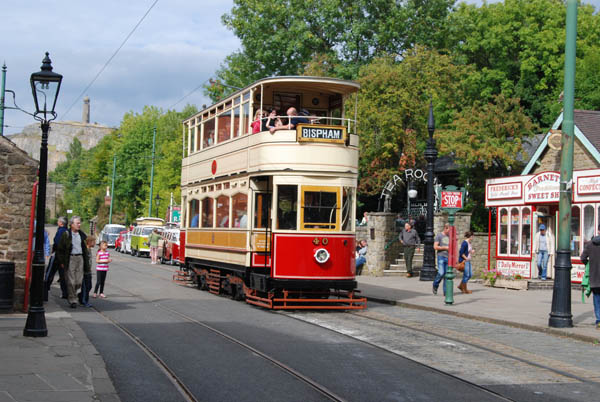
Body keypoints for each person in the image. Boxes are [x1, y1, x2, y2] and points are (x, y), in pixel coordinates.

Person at [57, 216, 90, 308]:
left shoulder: (81, 235)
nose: (79, 225)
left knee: (79, 281)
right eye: (77, 223)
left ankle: (74, 294)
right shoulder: (66, 234)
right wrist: (62, 261)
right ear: (71, 225)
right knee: (71, 281)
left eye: (80, 223)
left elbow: (85, 249)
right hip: (70, 258)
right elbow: (60, 249)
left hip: (80, 258)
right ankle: (72, 300)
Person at [580, 226, 600, 329]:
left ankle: (598, 320)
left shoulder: (590, 244)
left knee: (597, 299)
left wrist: (588, 264)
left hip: (594, 277)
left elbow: (582, 257)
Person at [45, 216, 69, 298]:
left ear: (61, 223)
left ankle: (45, 289)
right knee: (63, 275)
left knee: (50, 273)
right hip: (64, 257)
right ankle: (65, 293)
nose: (57, 222)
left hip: (57, 256)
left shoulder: (61, 231)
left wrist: (54, 251)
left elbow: (57, 242)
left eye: (58, 221)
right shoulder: (67, 231)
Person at [432, 223, 450, 295]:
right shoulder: (439, 235)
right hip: (441, 256)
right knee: (441, 273)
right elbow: (435, 247)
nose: (450, 232)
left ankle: (445, 292)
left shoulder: (450, 236)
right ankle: (435, 285)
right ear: (445, 228)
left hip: (448, 257)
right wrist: (445, 248)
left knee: (447, 275)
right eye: (449, 230)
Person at [79, 235, 95, 307]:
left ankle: (82, 299)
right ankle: (84, 301)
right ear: (89, 242)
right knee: (86, 287)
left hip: (88, 271)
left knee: (89, 286)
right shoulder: (85, 250)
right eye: (93, 241)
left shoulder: (89, 249)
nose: (94, 243)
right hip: (85, 271)